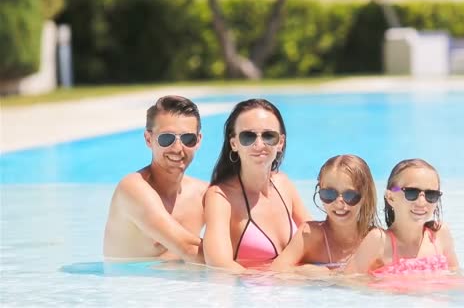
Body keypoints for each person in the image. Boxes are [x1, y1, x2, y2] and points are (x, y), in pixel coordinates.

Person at [203, 98, 312, 271]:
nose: (259, 144)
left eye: (269, 136)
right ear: (234, 143)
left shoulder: (284, 184)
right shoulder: (221, 197)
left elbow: (318, 238)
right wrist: (290, 275)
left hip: (291, 293)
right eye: (248, 136)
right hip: (248, 294)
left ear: (280, 143)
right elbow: (220, 266)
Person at [103, 95, 207, 263]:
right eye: (167, 138)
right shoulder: (132, 188)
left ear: (198, 141)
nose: (178, 148)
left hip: (183, 286)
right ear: (148, 139)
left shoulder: (204, 195)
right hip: (132, 286)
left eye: (188, 139)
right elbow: (189, 249)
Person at [345, 158, 459, 275]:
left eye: (431, 194)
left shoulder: (439, 234)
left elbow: (456, 274)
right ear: (390, 197)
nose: (421, 202)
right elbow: (347, 280)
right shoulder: (379, 241)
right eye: (411, 193)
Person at [271, 154, 379, 273]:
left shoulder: (374, 239)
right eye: (329, 194)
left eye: (350, 195)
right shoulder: (309, 234)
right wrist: (308, 271)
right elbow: (276, 270)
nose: (339, 203)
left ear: (365, 196)